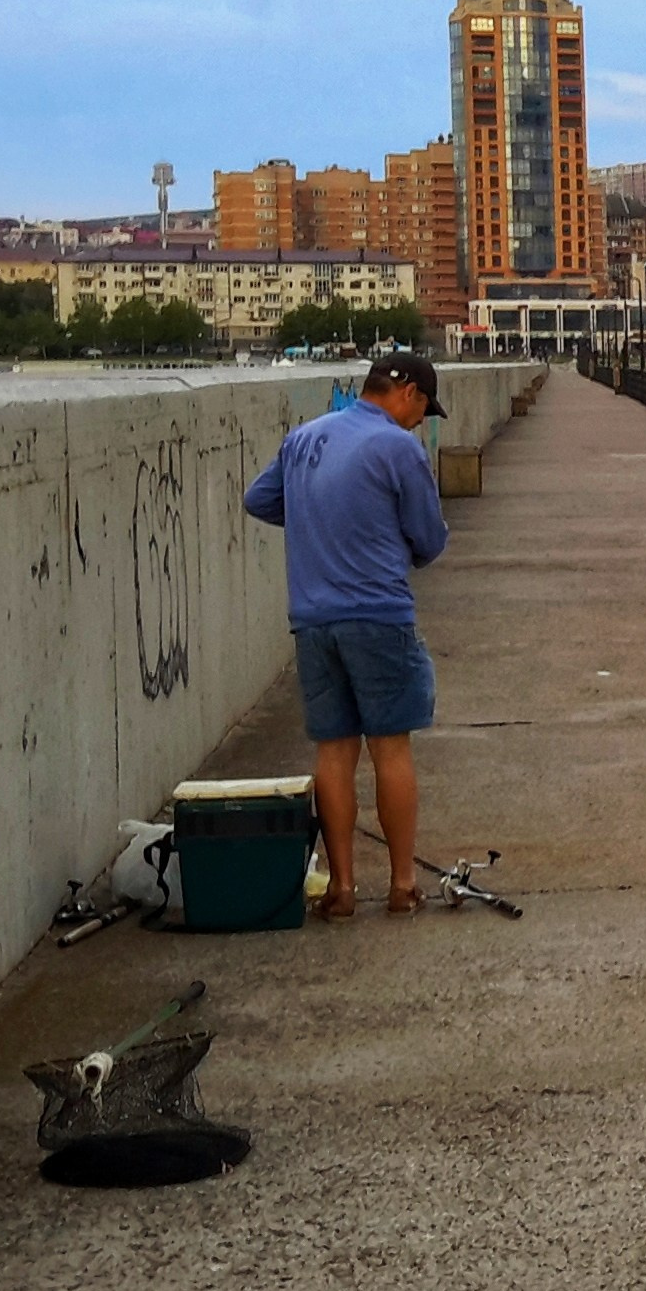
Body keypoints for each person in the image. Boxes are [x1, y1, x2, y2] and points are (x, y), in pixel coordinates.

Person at [244, 354, 449, 918]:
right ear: (405, 392)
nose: (421, 422)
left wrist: (322, 516)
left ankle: (340, 887)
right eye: (424, 409)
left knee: (333, 750)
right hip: (377, 613)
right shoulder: (398, 446)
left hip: (313, 618)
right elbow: (429, 540)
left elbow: (258, 500)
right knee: (390, 746)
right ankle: (403, 884)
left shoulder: (304, 438)